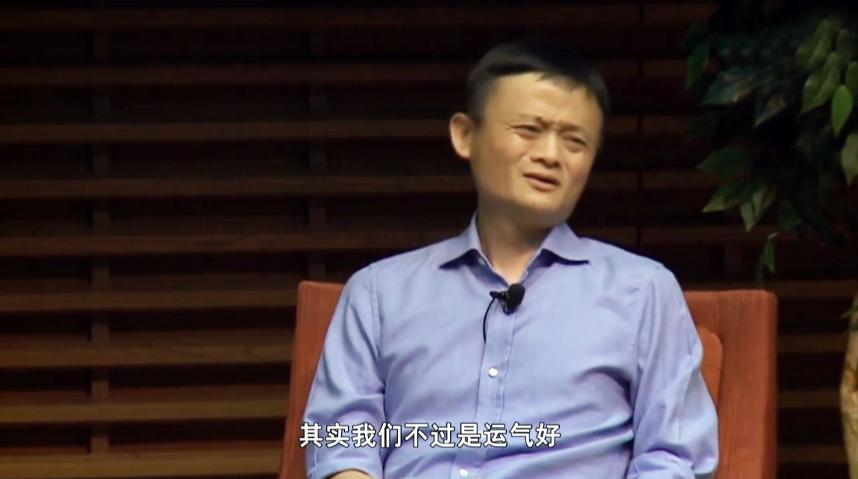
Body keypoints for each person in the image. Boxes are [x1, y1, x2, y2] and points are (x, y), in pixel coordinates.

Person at [301, 39, 719, 479]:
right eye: (528, 130)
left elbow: (674, 458)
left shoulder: (643, 292)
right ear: (465, 135)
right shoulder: (378, 293)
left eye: (575, 141)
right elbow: (340, 441)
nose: (550, 155)